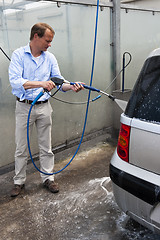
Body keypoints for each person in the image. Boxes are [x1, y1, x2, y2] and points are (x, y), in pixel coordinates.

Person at [9, 22, 84, 197]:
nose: (49, 44)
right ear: (36, 36)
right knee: (21, 147)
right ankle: (18, 181)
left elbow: (59, 82)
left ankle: (48, 178)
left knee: (46, 146)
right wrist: (41, 83)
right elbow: (15, 81)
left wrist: (71, 86)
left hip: (44, 107)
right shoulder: (19, 55)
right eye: (47, 40)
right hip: (24, 107)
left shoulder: (49, 58)